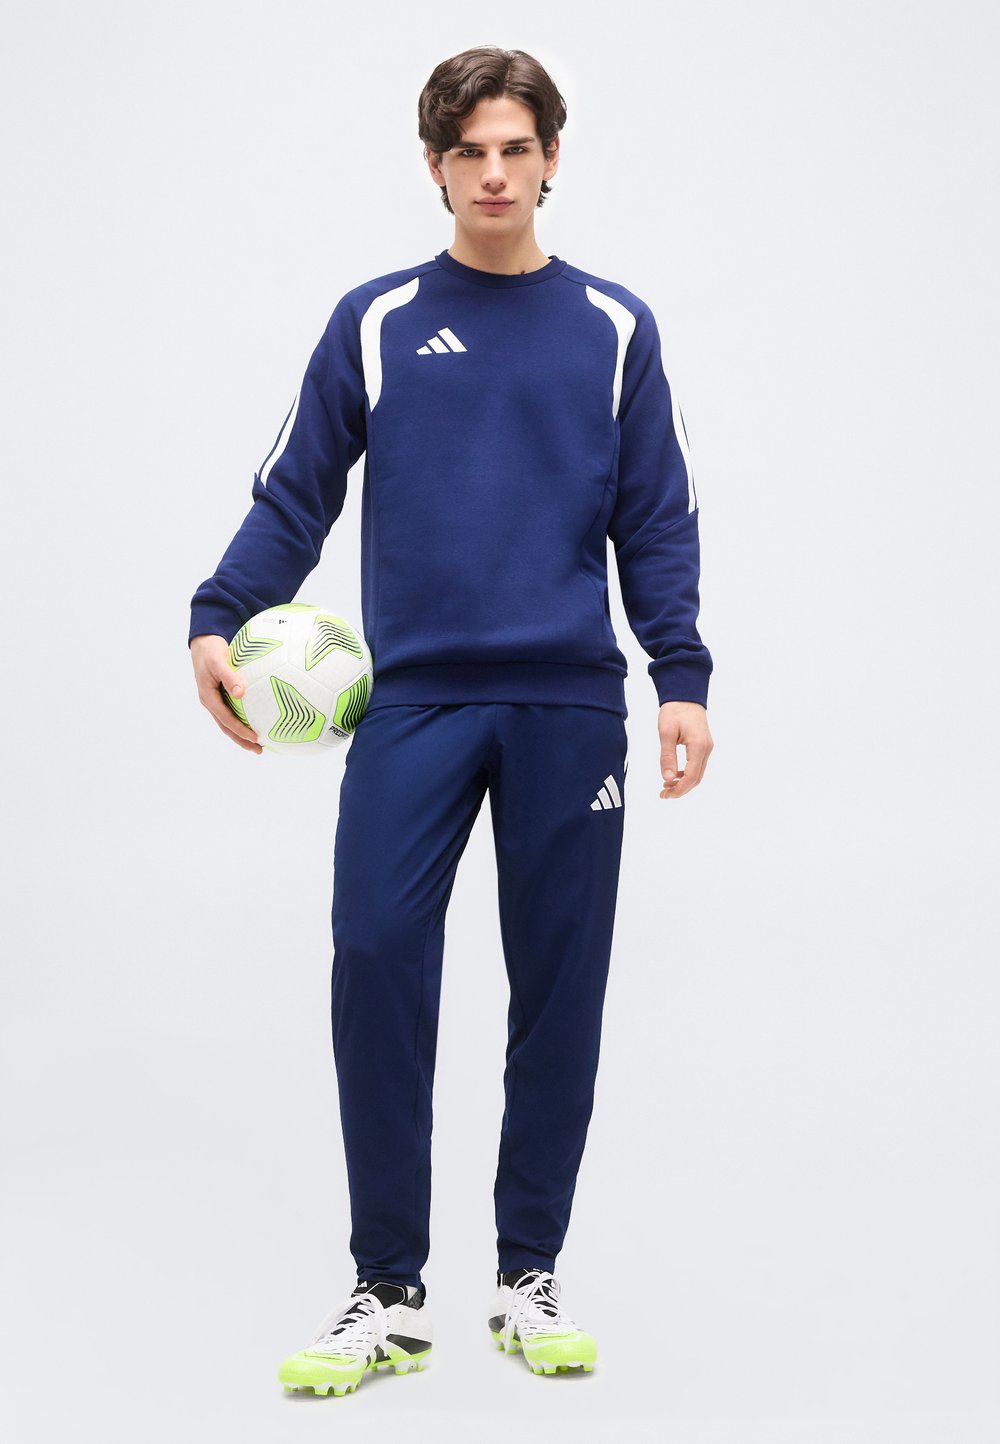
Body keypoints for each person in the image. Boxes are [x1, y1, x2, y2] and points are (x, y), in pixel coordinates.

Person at [188, 44, 714, 1397]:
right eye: (468, 151)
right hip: (413, 700)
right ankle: (387, 1289)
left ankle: (529, 1273)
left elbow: (655, 517)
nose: (493, 174)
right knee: (375, 954)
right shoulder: (374, 320)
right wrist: (218, 611)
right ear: (434, 165)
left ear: (551, 159)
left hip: (568, 706)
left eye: (515, 149)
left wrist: (681, 676)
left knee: (560, 986)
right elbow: (296, 489)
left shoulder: (614, 326)